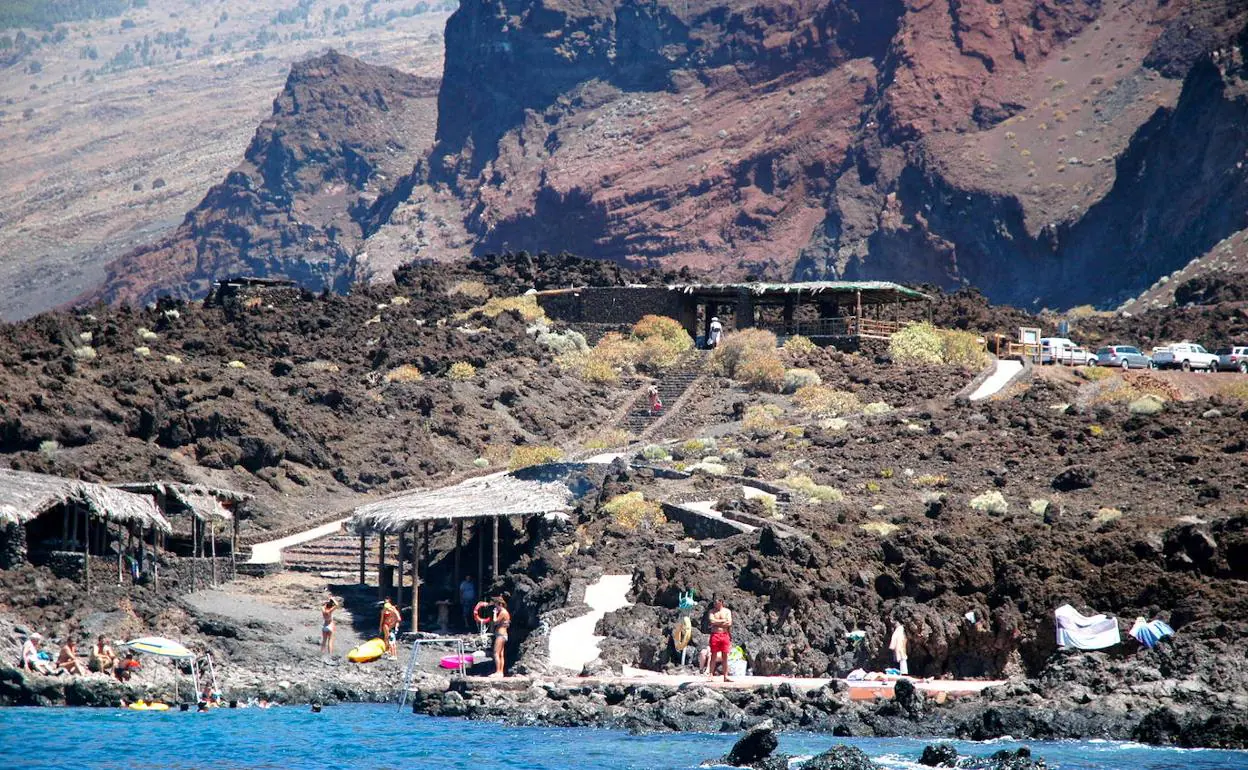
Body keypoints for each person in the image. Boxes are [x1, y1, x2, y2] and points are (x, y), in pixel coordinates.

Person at [708, 597, 733, 682]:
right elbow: (711, 621)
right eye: (714, 603)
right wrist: (723, 621)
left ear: (721, 602)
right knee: (713, 655)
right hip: (715, 635)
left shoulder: (727, 611)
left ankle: (725, 676)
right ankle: (711, 675)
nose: (715, 604)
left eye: (717, 602)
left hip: (725, 635)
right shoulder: (712, 611)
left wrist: (717, 622)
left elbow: (729, 622)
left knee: (725, 656)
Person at [489, 596, 511, 679]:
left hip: (500, 635)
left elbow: (495, 622)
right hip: (504, 635)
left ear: (499, 604)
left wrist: (494, 613)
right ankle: (500, 672)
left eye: (496, 606)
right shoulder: (505, 612)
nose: (496, 607)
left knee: (495, 653)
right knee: (501, 654)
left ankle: (498, 672)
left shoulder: (503, 612)